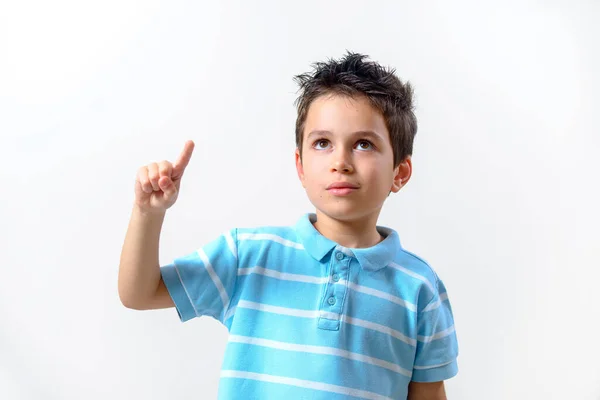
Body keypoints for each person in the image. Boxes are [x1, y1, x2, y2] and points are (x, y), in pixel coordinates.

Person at [118, 51, 459, 400]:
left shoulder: (419, 288)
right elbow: (139, 293)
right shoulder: (248, 255)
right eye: (322, 143)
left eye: (363, 144)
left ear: (399, 173)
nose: (340, 162)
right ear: (300, 165)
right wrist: (148, 213)